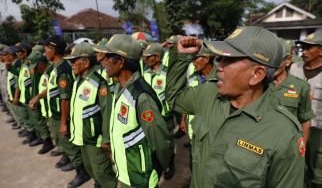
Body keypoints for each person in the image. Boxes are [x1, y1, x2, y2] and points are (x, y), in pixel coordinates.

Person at [165, 26, 304, 188]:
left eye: (228, 60)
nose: (219, 67)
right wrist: (182, 57)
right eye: (219, 58)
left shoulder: (284, 133)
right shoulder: (209, 93)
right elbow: (175, 98)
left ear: (257, 74)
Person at [97, 34, 174, 187]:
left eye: (108, 57)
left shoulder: (141, 96)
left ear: (120, 62)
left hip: (140, 178)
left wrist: (155, 169)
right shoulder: (119, 87)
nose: (103, 62)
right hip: (126, 172)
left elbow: (161, 142)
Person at [29, 35, 89, 188]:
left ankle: (82, 172)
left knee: (69, 145)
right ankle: (74, 162)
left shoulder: (62, 69)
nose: (45, 52)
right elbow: (53, 88)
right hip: (54, 113)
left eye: (47, 49)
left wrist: (63, 123)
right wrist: (38, 96)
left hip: (60, 115)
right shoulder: (55, 68)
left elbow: (65, 98)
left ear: (53, 50)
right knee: (63, 143)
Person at [64, 42, 116, 188]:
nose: (72, 64)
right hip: (83, 137)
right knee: (91, 168)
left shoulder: (99, 84)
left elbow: (107, 112)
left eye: (74, 61)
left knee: (102, 172)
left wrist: (106, 139)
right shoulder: (78, 81)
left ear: (86, 62)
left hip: (95, 139)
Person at [290, 32, 322, 188]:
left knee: (316, 168)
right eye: (303, 48)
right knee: (295, 165)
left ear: (321, 51)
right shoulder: (295, 68)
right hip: (294, 127)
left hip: (318, 130)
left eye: (309, 48)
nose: (304, 51)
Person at [269, 39, 314, 146]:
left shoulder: (301, 87)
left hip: (287, 144)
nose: (272, 65)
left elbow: (305, 120)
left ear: (288, 61)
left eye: (277, 61)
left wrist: (302, 147)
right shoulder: (259, 84)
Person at [142, 42, 175, 180]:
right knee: (151, 143)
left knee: (167, 143)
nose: (145, 59)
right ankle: (158, 164)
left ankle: (169, 164)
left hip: (165, 117)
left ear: (157, 57)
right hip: (149, 117)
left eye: (148, 57)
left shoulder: (168, 73)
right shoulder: (145, 73)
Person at [27, 48, 55, 153]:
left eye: (35, 66)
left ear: (42, 64)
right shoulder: (41, 72)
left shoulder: (50, 71)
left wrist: (37, 97)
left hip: (52, 108)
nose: (33, 70)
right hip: (46, 107)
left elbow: (52, 88)